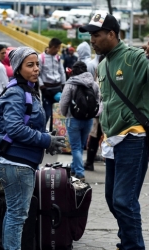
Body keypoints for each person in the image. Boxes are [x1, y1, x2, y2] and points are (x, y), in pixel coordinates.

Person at [80, 11, 149, 250]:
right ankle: (127, 240)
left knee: (124, 200)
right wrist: (105, 135)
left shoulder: (135, 58)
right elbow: (108, 103)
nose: (92, 40)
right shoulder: (103, 63)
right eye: (91, 35)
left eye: (96, 35)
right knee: (112, 199)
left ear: (112, 34)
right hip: (112, 141)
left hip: (134, 137)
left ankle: (133, 246)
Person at [0, 46, 66, 249]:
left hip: (21, 162)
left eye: (37, 64)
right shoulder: (16, 93)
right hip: (16, 164)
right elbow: (15, 128)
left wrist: (47, 139)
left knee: (15, 214)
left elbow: (29, 126)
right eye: (30, 65)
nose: (36, 69)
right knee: (17, 216)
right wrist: (45, 140)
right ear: (18, 69)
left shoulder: (28, 90)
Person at [59, 61, 100, 181]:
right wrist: (94, 114)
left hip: (73, 119)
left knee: (76, 147)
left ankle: (80, 173)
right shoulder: (93, 84)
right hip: (88, 120)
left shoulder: (71, 83)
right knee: (81, 146)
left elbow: (63, 102)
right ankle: (74, 168)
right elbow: (98, 101)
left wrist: (65, 114)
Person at [38, 38, 66, 131]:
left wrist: (63, 85)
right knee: (47, 113)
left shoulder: (58, 57)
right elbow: (38, 74)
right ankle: (41, 132)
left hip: (57, 89)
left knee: (57, 114)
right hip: (47, 89)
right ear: (53, 47)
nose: (58, 50)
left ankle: (53, 132)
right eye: (58, 48)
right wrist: (42, 88)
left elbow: (61, 71)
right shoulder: (41, 58)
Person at [84, 54, 105, 171]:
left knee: (94, 137)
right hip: (107, 112)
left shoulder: (99, 72)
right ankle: (90, 162)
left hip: (98, 113)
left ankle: (89, 162)